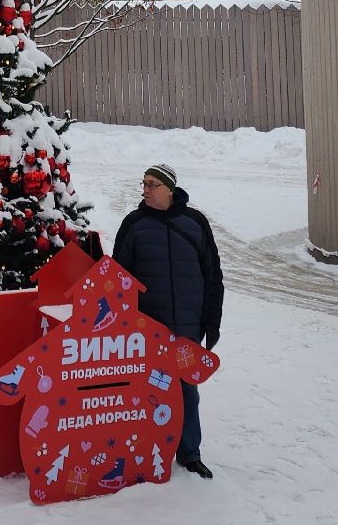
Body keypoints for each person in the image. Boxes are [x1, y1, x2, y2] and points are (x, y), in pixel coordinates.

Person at [110, 163, 224, 480]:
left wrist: (211, 323)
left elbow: (213, 276)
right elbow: (119, 279)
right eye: (143, 183)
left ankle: (189, 453)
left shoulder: (195, 223)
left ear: (169, 190)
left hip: (188, 328)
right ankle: (144, 449)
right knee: (145, 391)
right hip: (148, 330)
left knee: (187, 390)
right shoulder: (133, 224)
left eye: (151, 184)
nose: (145, 189)